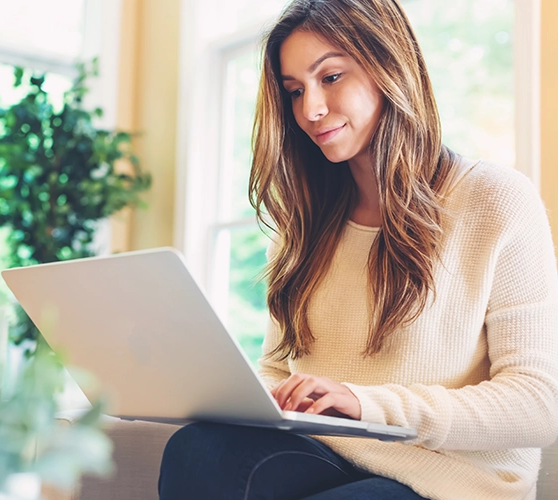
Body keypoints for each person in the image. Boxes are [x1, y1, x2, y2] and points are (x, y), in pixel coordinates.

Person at [158, 0, 558, 499]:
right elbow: (279, 369)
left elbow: (539, 405)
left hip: (446, 478)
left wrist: (365, 403)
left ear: (388, 65)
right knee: (196, 449)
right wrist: (247, 396)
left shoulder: (495, 200)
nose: (311, 109)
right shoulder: (302, 227)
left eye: (330, 77)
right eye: (295, 90)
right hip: (324, 454)